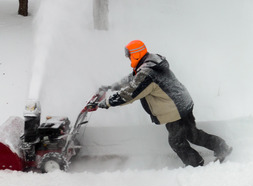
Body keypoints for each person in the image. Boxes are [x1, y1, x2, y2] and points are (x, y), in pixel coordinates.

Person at [98, 40, 231, 167]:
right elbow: (132, 79)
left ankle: (195, 165)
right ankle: (221, 148)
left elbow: (131, 93)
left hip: (175, 109)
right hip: (182, 103)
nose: (128, 59)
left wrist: (108, 102)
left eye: (130, 56)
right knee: (192, 134)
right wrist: (114, 86)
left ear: (137, 54)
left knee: (176, 141)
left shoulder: (147, 72)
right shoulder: (150, 63)